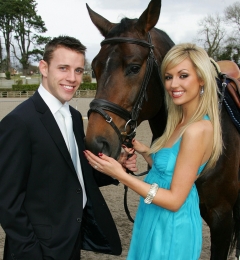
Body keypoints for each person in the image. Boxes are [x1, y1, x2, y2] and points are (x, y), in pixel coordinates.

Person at [0, 36, 137, 260]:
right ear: (44, 68)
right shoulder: (19, 122)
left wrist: (118, 166)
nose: (72, 78)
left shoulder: (73, 116)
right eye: (63, 68)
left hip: (71, 239)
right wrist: (32, 253)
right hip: (38, 249)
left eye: (78, 70)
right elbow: (7, 201)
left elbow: (77, 173)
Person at [84, 43, 223, 259]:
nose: (173, 84)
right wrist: (145, 151)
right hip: (154, 215)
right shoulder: (180, 121)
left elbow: (175, 199)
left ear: (202, 78)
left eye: (183, 75)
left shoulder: (197, 129)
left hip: (172, 225)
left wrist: (119, 175)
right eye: (168, 77)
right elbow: (172, 170)